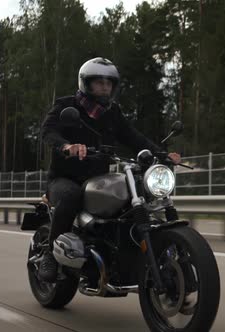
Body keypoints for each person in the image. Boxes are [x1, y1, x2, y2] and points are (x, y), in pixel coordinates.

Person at [38, 57, 181, 281]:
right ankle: (50, 255)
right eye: (99, 82)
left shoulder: (112, 113)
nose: (105, 87)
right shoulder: (66, 106)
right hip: (65, 178)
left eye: (109, 82)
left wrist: (161, 154)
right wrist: (67, 146)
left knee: (130, 200)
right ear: (86, 83)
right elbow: (48, 132)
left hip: (98, 179)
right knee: (71, 196)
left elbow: (133, 137)